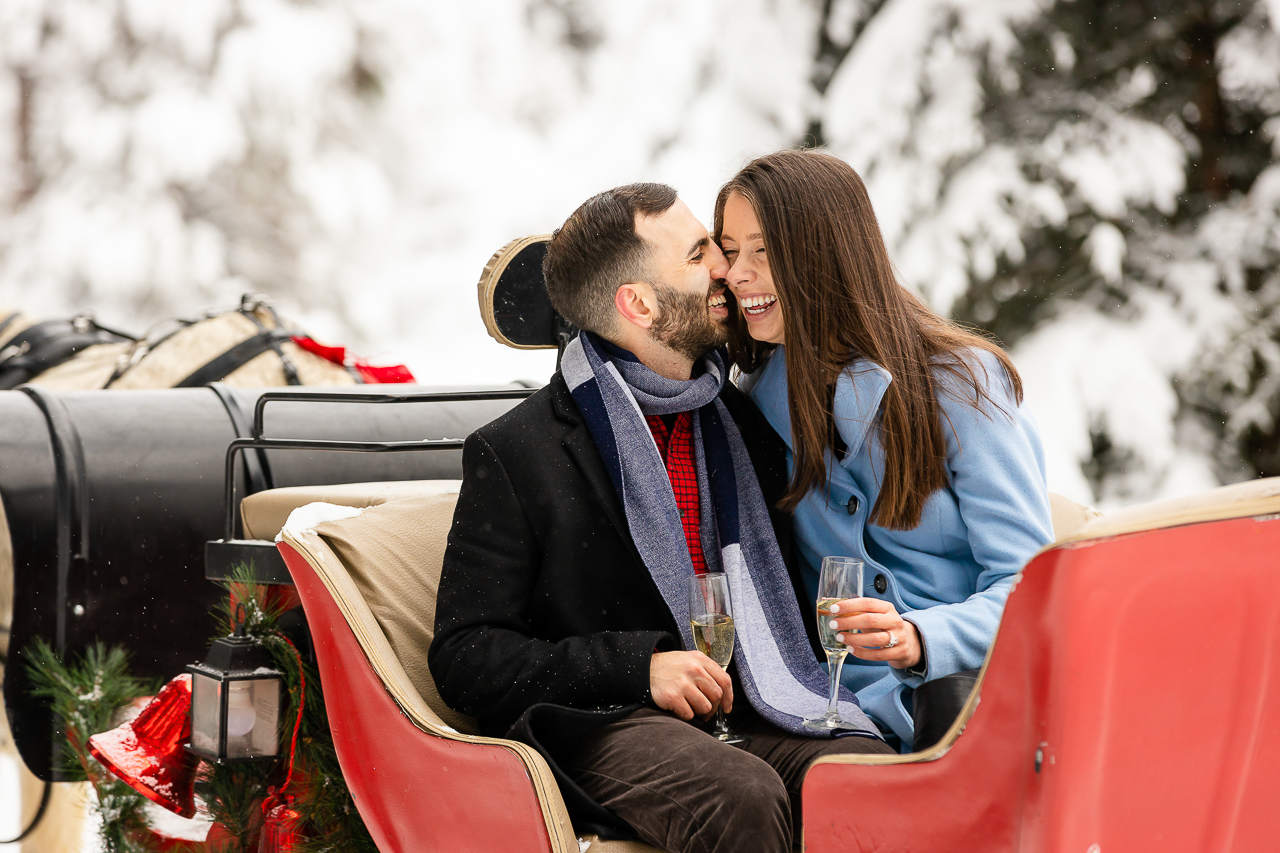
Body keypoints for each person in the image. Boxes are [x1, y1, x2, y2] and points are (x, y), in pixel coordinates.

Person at [429, 183, 894, 853]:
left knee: (866, 775)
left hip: (754, 695)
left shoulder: (744, 425)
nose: (723, 270)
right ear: (639, 303)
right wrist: (637, 666)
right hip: (610, 720)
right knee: (740, 792)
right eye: (700, 253)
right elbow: (465, 653)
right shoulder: (518, 452)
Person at [715, 149, 1055, 750]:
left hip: (969, 704)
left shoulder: (961, 383)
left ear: (822, 253)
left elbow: (1033, 585)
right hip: (834, 715)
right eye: (730, 251)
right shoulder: (755, 400)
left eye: (764, 250)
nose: (738, 273)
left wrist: (922, 637)